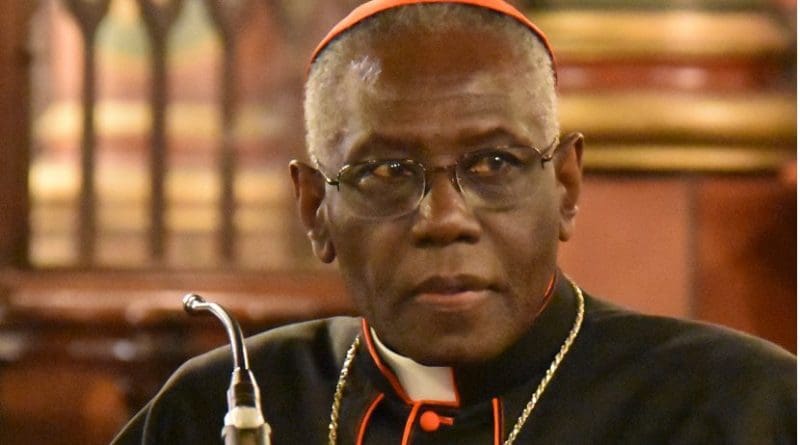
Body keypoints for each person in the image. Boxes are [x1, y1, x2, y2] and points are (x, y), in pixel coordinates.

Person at [112, 1, 796, 443]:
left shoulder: (740, 407)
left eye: (494, 162)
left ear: (564, 185)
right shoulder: (217, 409)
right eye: (387, 172)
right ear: (315, 209)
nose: (443, 220)